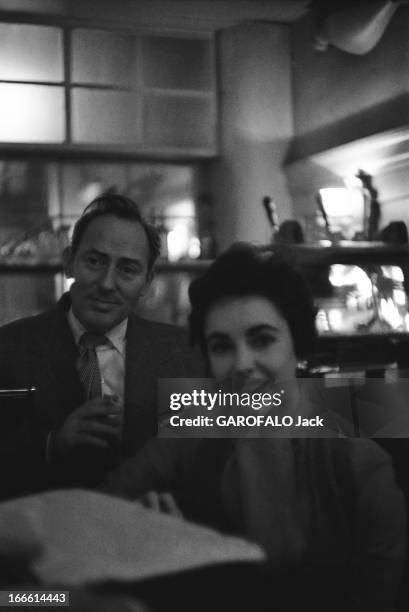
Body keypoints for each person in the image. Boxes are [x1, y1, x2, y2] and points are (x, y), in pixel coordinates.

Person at [106, 244, 406, 612]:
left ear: (299, 343)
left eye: (262, 340)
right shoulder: (194, 427)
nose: (241, 364)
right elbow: (101, 508)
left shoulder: (358, 458)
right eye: (221, 347)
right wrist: (134, 528)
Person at [0, 194, 200, 498]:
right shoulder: (10, 348)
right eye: (95, 261)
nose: (107, 283)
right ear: (69, 262)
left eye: (128, 269)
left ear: (147, 282)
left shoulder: (183, 352)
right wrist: (54, 443)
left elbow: (204, 459)